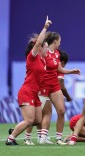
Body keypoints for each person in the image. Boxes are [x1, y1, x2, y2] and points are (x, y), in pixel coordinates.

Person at [6, 16, 51, 145]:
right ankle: (11, 139)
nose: (48, 50)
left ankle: (15, 129)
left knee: (37, 120)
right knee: (29, 120)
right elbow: (37, 43)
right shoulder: (32, 57)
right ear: (40, 48)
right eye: (46, 47)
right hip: (27, 91)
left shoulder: (43, 60)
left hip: (35, 93)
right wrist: (45, 28)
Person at [39, 31, 80, 145]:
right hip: (43, 85)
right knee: (41, 115)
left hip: (54, 85)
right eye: (59, 41)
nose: (60, 43)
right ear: (55, 41)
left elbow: (59, 69)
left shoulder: (57, 53)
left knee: (61, 111)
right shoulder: (44, 52)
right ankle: (42, 137)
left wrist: (72, 71)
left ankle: (58, 139)